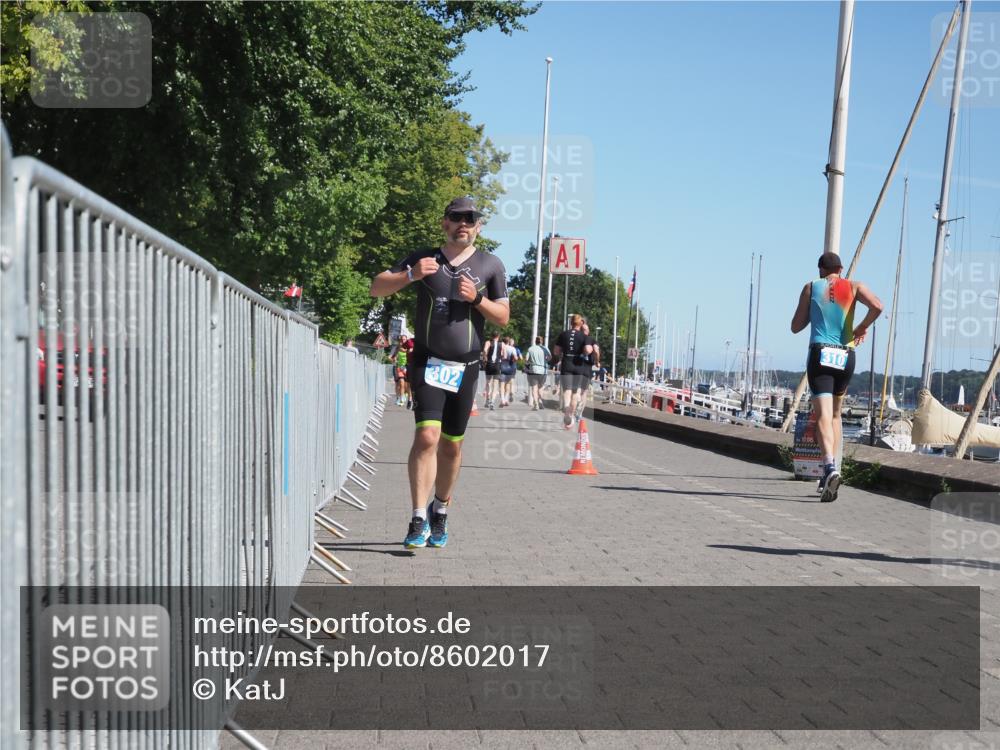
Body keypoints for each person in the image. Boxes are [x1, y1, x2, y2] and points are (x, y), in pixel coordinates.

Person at [370, 197, 509, 547]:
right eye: (456, 217)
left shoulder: (490, 265)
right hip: (428, 362)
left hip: (467, 366)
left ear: (479, 226)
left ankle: (440, 509)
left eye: (471, 218)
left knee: (451, 446)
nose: (464, 223)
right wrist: (410, 275)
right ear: (444, 223)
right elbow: (377, 286)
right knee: (427, 438)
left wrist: (476, 299)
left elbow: (503, 316)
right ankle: (418, 518)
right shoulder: (425, 258)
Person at [791, 252, 882, 502]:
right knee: (835, 415)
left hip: (820, 354)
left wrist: (814, 311)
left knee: (821, 414)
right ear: (841, 269)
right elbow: (878, 306)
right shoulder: (855, 286)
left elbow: (796, 326)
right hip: (845, 355)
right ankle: (831, 470)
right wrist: (861, 327)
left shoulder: (811, 287)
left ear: (820, 269)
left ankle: (829, 466)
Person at [551, 314, 594, 429]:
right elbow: (588, 350)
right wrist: (584, 351)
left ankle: (566, 408)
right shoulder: (584, 336)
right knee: (576, 392)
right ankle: (570, 413)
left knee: (567, 390)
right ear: (581, 323)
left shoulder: (563, 334)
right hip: (578, 364)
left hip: (567, 362)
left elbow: (556, 351)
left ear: (571, 323)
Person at [389, 334, 414, 407]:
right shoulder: (397, 348)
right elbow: (392, 357)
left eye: (404, 340)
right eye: (402, 340)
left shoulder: (409, 347)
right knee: (401, 383)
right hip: (399, 367)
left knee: (407, 385)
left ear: (406, 340)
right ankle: (401, 398)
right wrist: (394, 360)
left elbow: (411, 353)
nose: (403, 341)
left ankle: (407, 398)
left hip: (407, 367)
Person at [524, 336, 549, 410]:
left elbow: (526, 359)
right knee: (541, 387)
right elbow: (550, 357)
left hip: (533, 369)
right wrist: (545, 360)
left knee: (534, 387)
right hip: (543, 370)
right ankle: (540, 401)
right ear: (542, 341)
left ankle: (536, 404)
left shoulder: (530, 349)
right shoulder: (545, 349)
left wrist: (526, 368)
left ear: (535, 341)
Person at [482, 332, 504, 409]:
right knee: (495, 384)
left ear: (491, 336)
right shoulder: (502, 344)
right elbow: (504, 355)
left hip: (489, 364)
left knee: (488, 382)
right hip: (497, 365)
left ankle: (487, 399)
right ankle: (492, 401)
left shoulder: (488, 342)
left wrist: (485, 358)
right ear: (498, 336)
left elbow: (485, 350)